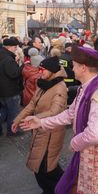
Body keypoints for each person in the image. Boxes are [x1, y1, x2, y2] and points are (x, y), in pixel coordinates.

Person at [20, 45, 98, 194]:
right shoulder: (84, 88)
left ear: (83, 68)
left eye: (75, 65)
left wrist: (74, 142)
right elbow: (70, 114)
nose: (72, 68)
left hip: (96, 158)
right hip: (86, 153)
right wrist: (41, 122)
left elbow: (94, 134)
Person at [12, 56, 68, 194]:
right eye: (39, 68)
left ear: (52, 71)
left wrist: (36, 119)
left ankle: (60, 189)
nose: (40, 71)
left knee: (45, 166)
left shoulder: (59, 87)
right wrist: (18, 119)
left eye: (42, 69)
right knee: (42, 166)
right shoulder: (43, 83)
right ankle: (55, 188)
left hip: (51, 132)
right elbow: (32, 104)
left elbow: (55, 111)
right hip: (39, 129)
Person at [0, 37, 22, 136]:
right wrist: (20, 66)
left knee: (4, 111)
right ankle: (12, 131)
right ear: (10, 47)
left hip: (2, 90)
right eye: (15, 47)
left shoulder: (2, 55)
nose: (16, 49)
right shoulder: (8, 59)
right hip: (10, 90)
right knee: (13, 112)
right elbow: (14, 74)